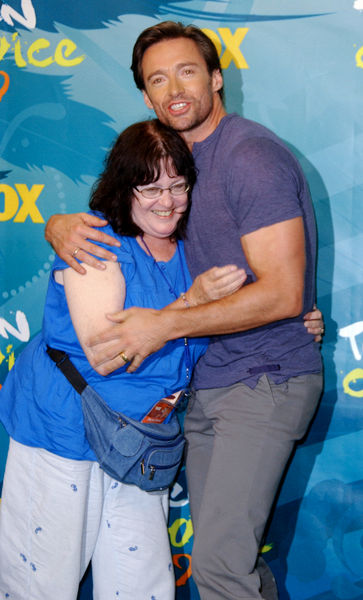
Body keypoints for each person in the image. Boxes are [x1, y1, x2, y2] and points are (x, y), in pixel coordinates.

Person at [44, 22, 324, 600]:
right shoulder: (176, 166)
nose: (174, 87)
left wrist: (166, 323)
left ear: (217, 79)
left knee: (220, 567)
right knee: (232, 560)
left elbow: (281, 294)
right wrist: (59, 224)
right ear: (146, 97)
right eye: (157, 78)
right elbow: (124, 213)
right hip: (209, 383)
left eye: (188, 70)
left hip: (263, 378)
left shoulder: (250, 157)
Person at [0, 119, 247, 600]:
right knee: (41, 583)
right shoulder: (95, 241)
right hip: (65, 432)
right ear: (123, 187)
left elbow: (239, 308)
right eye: (152, 187)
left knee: (143, 586)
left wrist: (294, 319)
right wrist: (191, 302)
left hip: (140, 443)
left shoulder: (191, 250)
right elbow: (107, 352)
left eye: (179, 186)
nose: (168, 201)